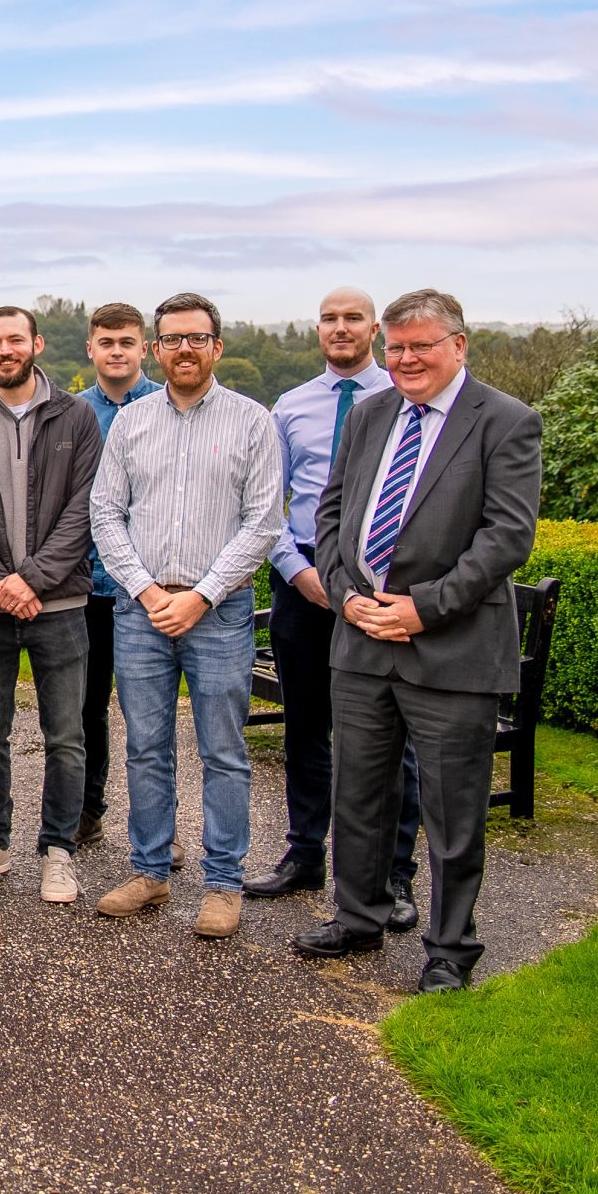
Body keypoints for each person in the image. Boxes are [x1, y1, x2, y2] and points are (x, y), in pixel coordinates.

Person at [295, 290, 543, 993]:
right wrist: (345, 594)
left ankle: (450, 949)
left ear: (459, 346)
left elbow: (506, 539)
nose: (406, 360)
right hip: (362, 639)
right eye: (397, 348)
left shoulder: (506, 422)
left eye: (421, 346)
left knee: (452, 810)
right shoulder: (371, 413)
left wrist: (422, 609)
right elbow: (333, 513)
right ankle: (359, 917)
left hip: (450, 648)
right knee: (359, 792)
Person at [88, 294, 283, 940]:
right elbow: (105, 515)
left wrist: (200, 595)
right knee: (146, 748)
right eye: (171, 339)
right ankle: (149, 871)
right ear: (155, 349)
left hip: (219, 612)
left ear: (217, 347)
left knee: (223, 751)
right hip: (140, 613)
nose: (184, 350)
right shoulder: (131, 423)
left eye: (197, 338)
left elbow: (263, 524)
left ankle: (223, 883)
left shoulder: (253, 422)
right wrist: (147, 593)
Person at [245, 288, 423, 930]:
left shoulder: (405, 400)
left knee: (390, 734)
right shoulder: (290, 407)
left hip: (379, 586)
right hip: (306, 586)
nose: (341, 328)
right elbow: (267, 506)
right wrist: (298, 572)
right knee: (306, 726)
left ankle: (394, 873)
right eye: (330, 319)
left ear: (373, 328)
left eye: (353, 318)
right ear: (317, 329)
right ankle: (304, 854)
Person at [0, 306, 105, 906]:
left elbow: (85, 507)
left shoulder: (77, 415)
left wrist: (32, 580)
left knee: (66, 735)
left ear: (36, 343)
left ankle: (57, 851)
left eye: (15, 338)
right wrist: (1, 583)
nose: (5, 349)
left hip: (60, 604)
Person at [75, 302, 161, 852]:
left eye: (126, 342)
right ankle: (88, 809)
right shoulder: (73, 413)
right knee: (86, 708)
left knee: (150, 716)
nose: (116, 352)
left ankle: (160, 829)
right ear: (91, 349)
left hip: (148, 586)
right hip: (86, 585)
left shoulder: (165, 405)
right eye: (106, 342)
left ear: (143, 348)